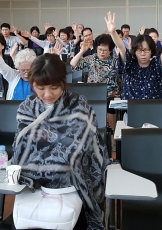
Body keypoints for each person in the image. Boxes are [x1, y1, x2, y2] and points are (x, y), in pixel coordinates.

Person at [11, 54, 108, 230]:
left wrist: (44, 163)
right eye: (40, 88)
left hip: (73, 184)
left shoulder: (79, 106)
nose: (47, 94)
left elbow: (77, 149)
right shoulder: (27, 108)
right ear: (32, 84)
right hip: (34, 189)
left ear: (63, 82)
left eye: (54, 87)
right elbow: (21, 149)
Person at [105, 12, 162, 101]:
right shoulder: (130, 63)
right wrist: (112, 32)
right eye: (139, 50)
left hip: (154, 108)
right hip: (132, 109)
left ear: (151, 51)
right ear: (134, 51)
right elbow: (121, 47)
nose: (143, 53)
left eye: (146, 50)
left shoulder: (156, 64)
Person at [71, 33, 119, 130]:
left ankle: (113, 136)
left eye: (105, 50)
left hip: (110, 94)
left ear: (110, 51)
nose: (101, 52)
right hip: (93, 93)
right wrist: (82, 51)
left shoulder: (115, 61)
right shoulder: (91, 58)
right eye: (99, 49)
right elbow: (73, 64)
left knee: (110, 108)